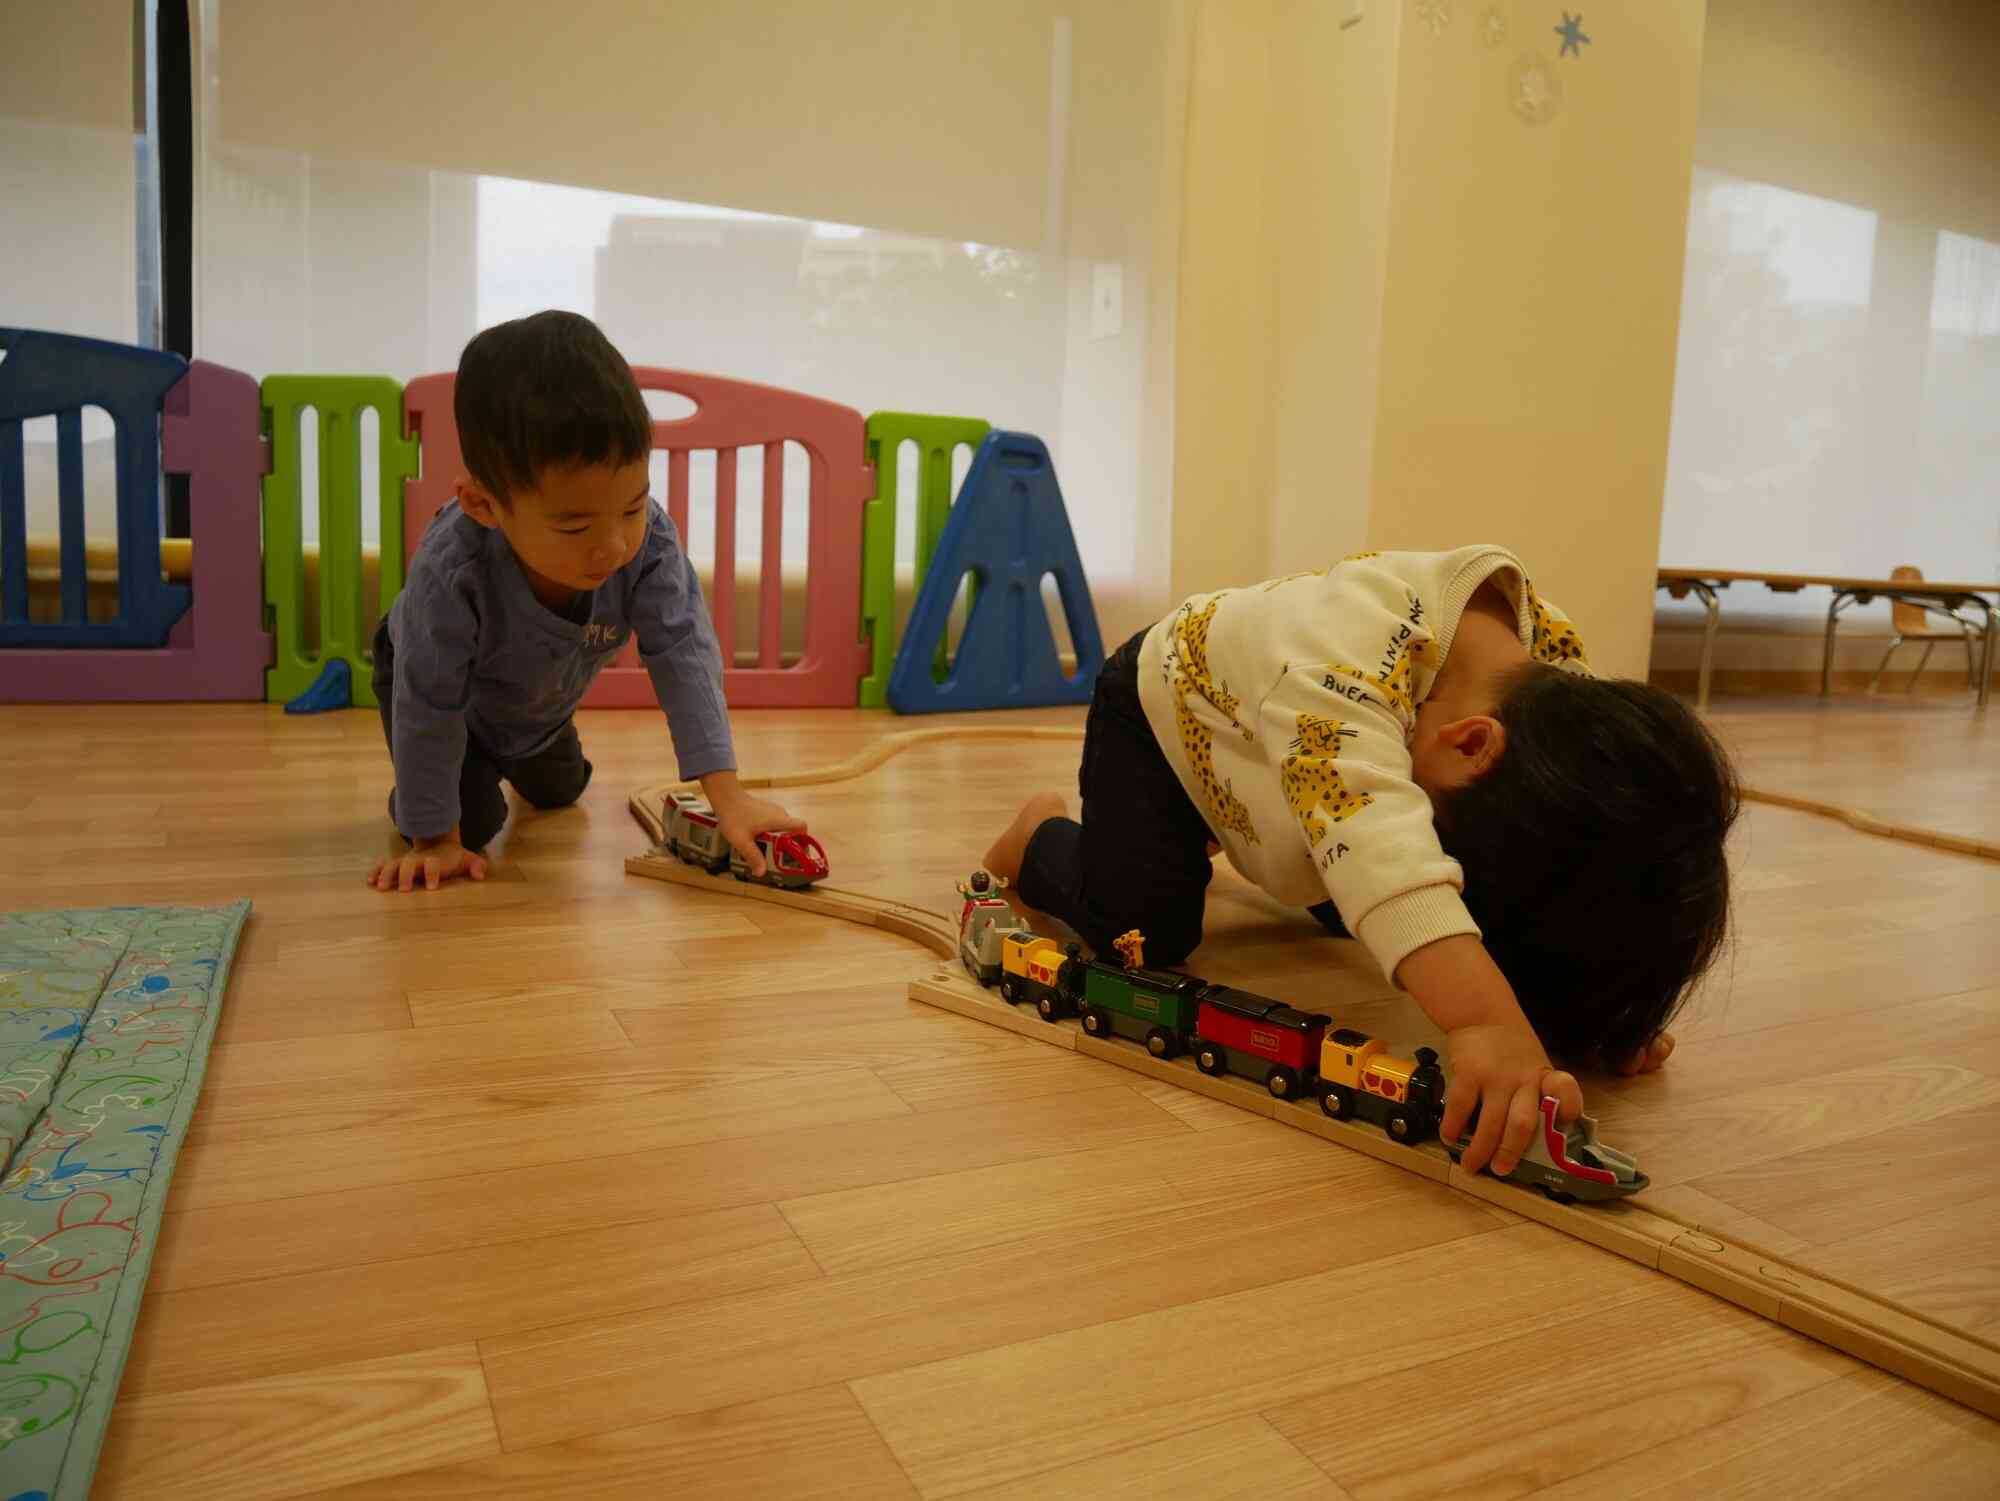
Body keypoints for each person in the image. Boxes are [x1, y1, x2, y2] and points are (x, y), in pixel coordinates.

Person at [983, 547, 1738, 1177]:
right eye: (1445, 840)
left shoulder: (1554, 684)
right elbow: (1384, 853)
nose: (1446, 864)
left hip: (1277, 762)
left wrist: (1594, 1013)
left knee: (1381, 887)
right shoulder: (1334, 674)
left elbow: (1582, 871)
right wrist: (1480, 1019)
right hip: (1161, 713)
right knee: (1145, 928)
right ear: (1471, 744)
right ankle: (1041, 833)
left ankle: (1235, 833)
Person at [367, 309, 800, 893]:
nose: (615, 545)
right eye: (575, 527)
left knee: (561, 790)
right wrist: (433, 839)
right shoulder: (451, 570)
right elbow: (428, 697)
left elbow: (683, 653)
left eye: (632, 507)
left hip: (538, 699)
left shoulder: (651, 547)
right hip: (445, 695)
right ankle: (434, 796)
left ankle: (519, 753)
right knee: (471, 824)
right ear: (483, 505)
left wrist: (728, 796)